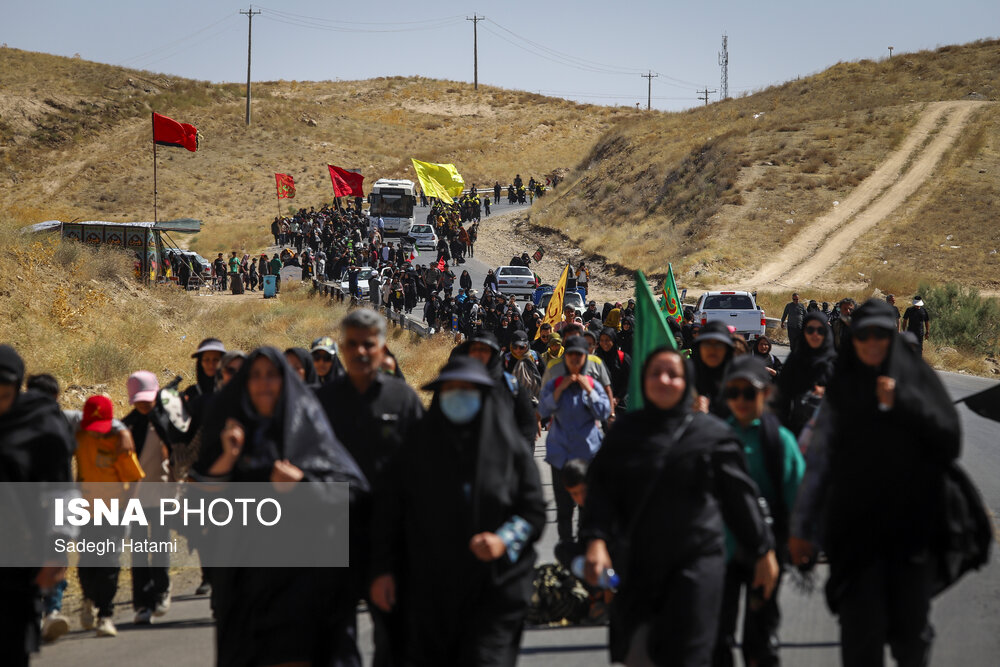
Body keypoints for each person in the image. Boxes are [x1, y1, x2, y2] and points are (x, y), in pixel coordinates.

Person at [790, 299, 960, 667]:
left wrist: (904, 403)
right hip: (855, 535)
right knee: (860, 637)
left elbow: (949, 441)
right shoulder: (842, 390)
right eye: (862, 334)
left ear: (892, 337)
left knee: (911, 638)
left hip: (911, 533)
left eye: (879, 334)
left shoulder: (917, 381)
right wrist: (802, 528)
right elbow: (818, 463)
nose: (870, 342)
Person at [581, 346, 777, 666]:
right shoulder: (624, 435)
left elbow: (740, 498)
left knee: (690, 653)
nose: (663, 380)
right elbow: (601, 493)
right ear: (643, 381)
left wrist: (763, 550)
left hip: (696, 564)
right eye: (655, 373)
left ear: (686, 382)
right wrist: (596, 541)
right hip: (639, 566)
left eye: (672, 374)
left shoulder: (712, 435)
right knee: (640, 653)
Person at [191, 347, 369, 667]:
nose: (263, 383)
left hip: (307, 585)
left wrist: (302, 485)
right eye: (255, 375)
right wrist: (228, 458)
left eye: (271, 375)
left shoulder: (309, 434)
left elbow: (353, 494)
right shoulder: (233, 434)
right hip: (248, 587)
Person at [370, 357, 546, 666]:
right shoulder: (415, 448)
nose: (458, 396)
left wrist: (503, 540)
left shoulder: (509, 450)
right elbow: (389, 513)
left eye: (467, 389)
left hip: (493, 588)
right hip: (427, 591)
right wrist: (383, 569)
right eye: (450, 389)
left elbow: (531, 512)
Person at [317, 309, 424, 667]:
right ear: (342, 348)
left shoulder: (402, 400)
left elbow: (423, 470)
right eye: (352, 344)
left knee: (394, 641)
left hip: (391, 540)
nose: (360, 352)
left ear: (382, 348)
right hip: (333, 538)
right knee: (333, 644)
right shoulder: (322, 403)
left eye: (368, 344)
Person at [713, 356, 805, 667]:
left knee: (760, 636)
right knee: (718, 636)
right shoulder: (715, 437)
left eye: (749, 393)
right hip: (722, 552)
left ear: (766, 394)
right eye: (733, 392)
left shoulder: (779, 441)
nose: (740, 400)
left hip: (765, 553)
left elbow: (797, 495)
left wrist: (796, 543)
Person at [0, 347, 76, 664]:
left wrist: (57, 551)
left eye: (4, 395)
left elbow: (63, 494)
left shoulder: (39, 426)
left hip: (18, 560)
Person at [75, 394, 144, 638]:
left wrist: (129, 507)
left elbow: (134, 478)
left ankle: (105, 615)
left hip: (114, 511)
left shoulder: (119, 442)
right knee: (87, 561)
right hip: (84, 510)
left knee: (109, 562)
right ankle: (88, 599)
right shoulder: (80, 436)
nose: (97, 434)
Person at [538, 337, 611, 545]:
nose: (575, 359)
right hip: (560, 455)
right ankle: (566, 549)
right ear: (565, 358)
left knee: (587, 506)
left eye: (579, 355)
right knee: (564, 508)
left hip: (587, 454)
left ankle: (585, 548)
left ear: (585, 357)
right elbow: (543, 410)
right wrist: (561, 389)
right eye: (571, 355)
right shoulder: (555, 383)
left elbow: (604, 412)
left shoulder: (593, 384)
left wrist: (589, 390)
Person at [122, 371, 175, 625]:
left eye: (148, 399)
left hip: (162, 494)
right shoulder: (126, 426)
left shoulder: (165, 423)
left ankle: (162, 589)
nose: (144, 405)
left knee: (160, 545)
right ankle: (142, 603)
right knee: (140, 550)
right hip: (135, 498)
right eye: (139, 400)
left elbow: (177, 455)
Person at [771, 312, 837, 436]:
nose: (815, 334)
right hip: (796, 430)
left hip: (828, 432)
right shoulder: (794, 362)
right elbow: (781, 399)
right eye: (810, 330)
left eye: (820, 330)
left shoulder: (836, 364)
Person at [691, 321, 736, 417]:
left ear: (727, 349)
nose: (712, 349)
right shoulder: (685, 379)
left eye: (719, 344)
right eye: (707, 344)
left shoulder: (739, 381)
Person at [595, 327, 631, 413]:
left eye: (607, 340)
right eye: (601, 340)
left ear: (613, 340)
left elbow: (630, 380)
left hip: (621, 404)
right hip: (600, 403)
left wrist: (618, 398)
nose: (604, 343)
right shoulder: (596, 358)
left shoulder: (623, 358)